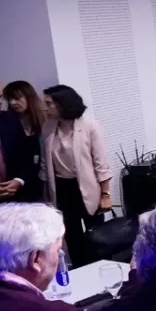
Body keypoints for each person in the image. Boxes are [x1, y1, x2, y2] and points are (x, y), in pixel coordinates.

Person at [40, 84, 112, 267]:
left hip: (88, 188)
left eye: (49, 104)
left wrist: (106, 195)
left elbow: (101, 163)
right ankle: (81, 269)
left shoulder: (89, 126)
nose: (44, 107)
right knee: (71, 235)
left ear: (63, 104)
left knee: (95, 235)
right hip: (62, 188)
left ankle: (101, 268)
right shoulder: (48, 126)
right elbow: (44, 163)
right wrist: (46, 196)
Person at [0, 80, 44, 202]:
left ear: (29, 97)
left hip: (44, 178)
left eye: (17, 98)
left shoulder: (45, 120)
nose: (13, 103)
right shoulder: (6, 121)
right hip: (18, 180)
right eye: (9, 99)